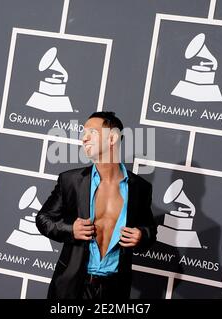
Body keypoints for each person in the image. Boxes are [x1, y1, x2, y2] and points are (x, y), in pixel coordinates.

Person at [36, 111, 156, 299]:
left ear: (113, 138)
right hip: (71, 287)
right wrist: (70, 229)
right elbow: (43, 219)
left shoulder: (140, 188)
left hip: (115, 290)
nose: (84, 138)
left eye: (92, 132)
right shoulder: (71, 181)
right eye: (83, 133)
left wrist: (142, 235)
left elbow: (150, 230)